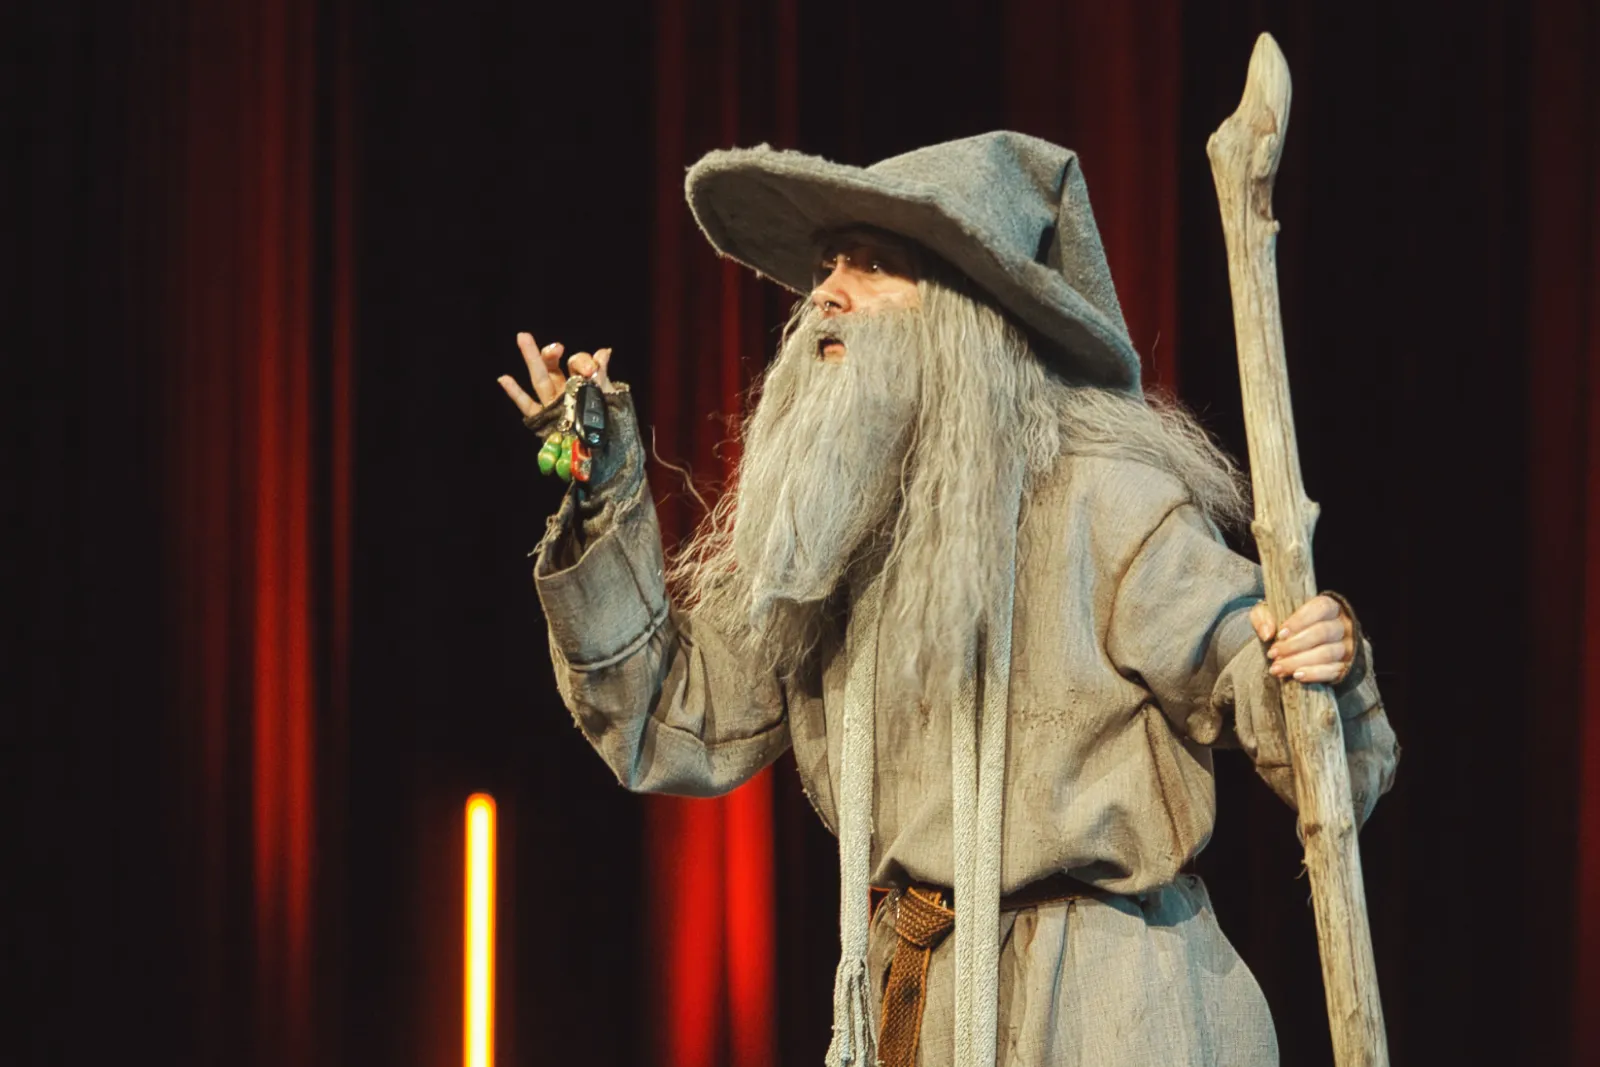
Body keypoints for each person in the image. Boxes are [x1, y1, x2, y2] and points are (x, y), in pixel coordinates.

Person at [497, 131, 1398, 1067]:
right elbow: (672, 713)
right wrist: (604, 492)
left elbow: (1263, 681)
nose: (825, 292)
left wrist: (1314, 660)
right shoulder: (833, 533)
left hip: (1111, 1012)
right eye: (826, 264)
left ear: (970, 308)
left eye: (872, 264)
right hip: (920, 1006)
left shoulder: (1104, 498)